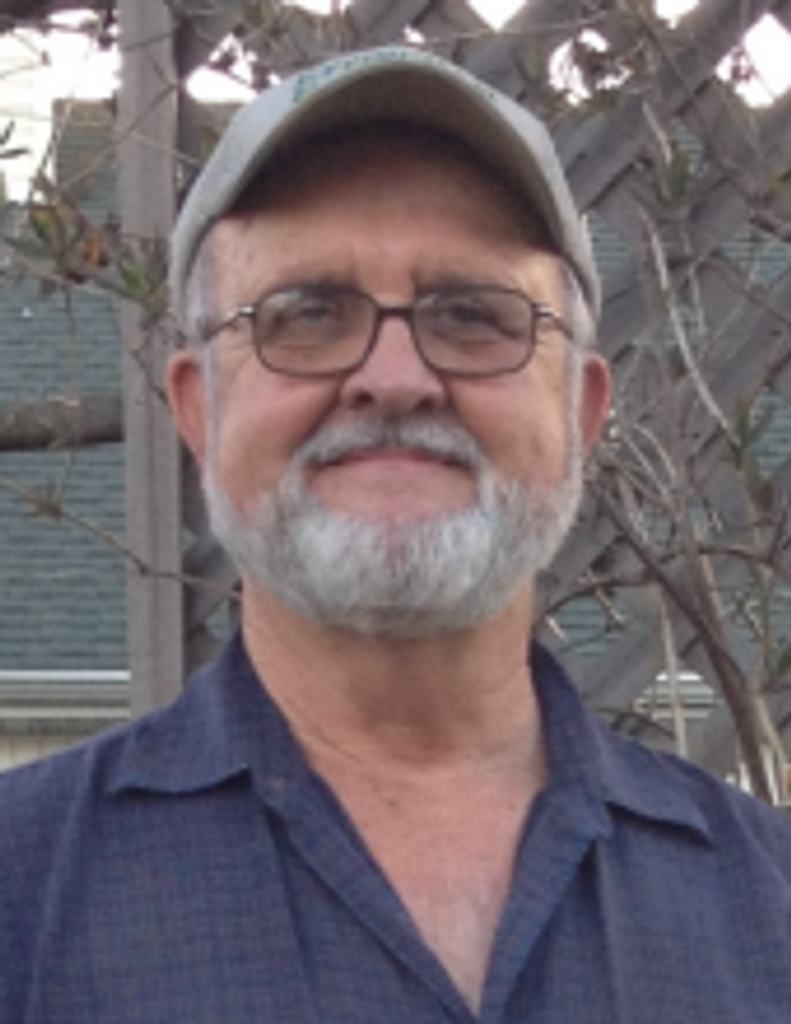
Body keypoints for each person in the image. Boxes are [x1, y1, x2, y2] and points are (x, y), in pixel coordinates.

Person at [1, 45, 790, 1024]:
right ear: (199, 410)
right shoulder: (21, 902)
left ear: (580, 413)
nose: (395, 378)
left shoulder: (768, 910)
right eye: (307, 313)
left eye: (471, 316)